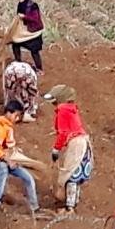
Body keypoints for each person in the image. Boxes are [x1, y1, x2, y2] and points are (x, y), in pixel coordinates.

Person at [0, 100, 39, 228]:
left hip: (9, 161)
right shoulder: (1, 128)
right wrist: (8, 160)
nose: (17, 119)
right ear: (9, 113)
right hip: (1, 163)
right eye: (16, 115)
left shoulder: (7, 127)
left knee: (28, 178)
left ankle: (35, 209)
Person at [45, 85, 93, 213]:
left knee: (70, 175)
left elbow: (63, 133)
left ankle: (69, 208)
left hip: (76, 144)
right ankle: (73, 203)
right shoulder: (72, 110)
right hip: (83, 141)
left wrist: (56, 149)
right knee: (76, 174)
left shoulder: (62, 111)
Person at [13, 0, 45, 75]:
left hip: (34, 32)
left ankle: (39, 69)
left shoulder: (33, 6)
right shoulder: (20, 6)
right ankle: (18, 63)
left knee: (34, 51)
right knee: (15, 43)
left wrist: (25, 17)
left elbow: (35, 19)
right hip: (25, 32)